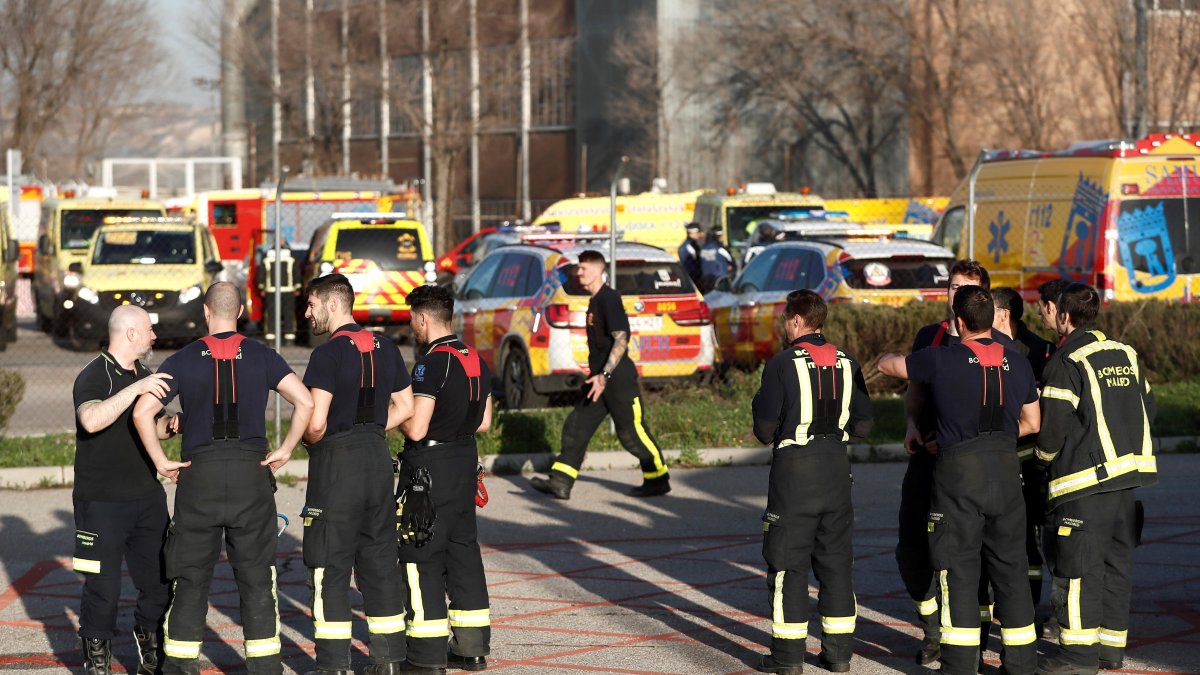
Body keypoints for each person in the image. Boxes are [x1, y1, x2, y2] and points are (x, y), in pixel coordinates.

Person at [131, 282, 314, 675]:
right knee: (257, 579)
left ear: (205, 312)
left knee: (190, 579)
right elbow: (306, 401)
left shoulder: (181, 359)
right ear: (243, 310)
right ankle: (265, 667)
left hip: (200, 479)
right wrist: (286, 449)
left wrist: (161, 460)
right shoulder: (264, 356)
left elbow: (142, 413)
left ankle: (180, 666)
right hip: (252, 476)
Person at [879, 285, 1041, 675]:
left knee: (958, 572)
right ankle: (1020, 663)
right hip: (1005, 473)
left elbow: (891, 365)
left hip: (958, 477)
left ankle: (961, 664)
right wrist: (999, 436)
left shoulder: (940, 359)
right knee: (1011, 569)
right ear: (993, 320)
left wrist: (888, 356)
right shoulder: (1018, 362)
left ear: (959, 321)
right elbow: (1033, 422)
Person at [1034, 283, 1157, 674]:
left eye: (1046, 310)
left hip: (1082, 486)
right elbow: (1147, 406)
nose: (1042, 315)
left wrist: (1040, 462)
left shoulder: (1066, 361)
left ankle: (1076, 657)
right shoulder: (1126, 354)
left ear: (1065, 316)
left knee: (1077, 572)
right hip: (1127, 482)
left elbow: (1052, 429)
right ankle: (1110, 651)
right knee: (1115, 567)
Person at [750, 290, 872, 675]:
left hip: (795, 473)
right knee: (836, 562)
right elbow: (865, 425)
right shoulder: (848, 362)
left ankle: (787, 659)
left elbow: (764, 429)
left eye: (787, 319)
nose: (785, 325)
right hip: (837, 470)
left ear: (798, 321)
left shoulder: (783, 364)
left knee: (787, 563)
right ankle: (838, 656)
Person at [300, 273, 414, 675]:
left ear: (334, 304)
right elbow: (405, 407)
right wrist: (371, 430)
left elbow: (316, 422)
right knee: (380, 561)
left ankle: (333, 664)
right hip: (377, 462)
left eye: (312, 304)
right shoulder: (385, 345)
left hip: (338, 465)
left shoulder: (327, 355)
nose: (307, 312)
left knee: (329, 564)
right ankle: (388, 662)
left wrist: (315, 441)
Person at [895, 259, 995, 665]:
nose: (956, 294)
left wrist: (954, 441)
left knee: (973, 555)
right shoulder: (929, 336)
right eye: (952, 287)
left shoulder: (996, 346)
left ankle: (971, 638)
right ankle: (932, 627)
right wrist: (911, 426)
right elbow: (915, 391)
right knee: (911, 550)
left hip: (969, 466)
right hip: (926, 461)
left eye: (965, 288)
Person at [72, 305, 178, 675]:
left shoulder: (145, 373)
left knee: (161, 581)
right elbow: (92, 419)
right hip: (101, 502)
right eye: (149, 330)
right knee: (104, 588)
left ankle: (149, 642)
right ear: (131, 333)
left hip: (147, 499)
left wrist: (176, 424)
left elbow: (157, 425)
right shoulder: (93, 375)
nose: (153, 337)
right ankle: (97, 658)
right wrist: (137, 388)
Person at [396, 284, 494, 674]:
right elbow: (484, 422)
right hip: (464, 463)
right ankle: (472, 648)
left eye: (412, 319)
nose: (412, 326)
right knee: (463, 552)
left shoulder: (431, 363)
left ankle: (425, 655)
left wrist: (394, 413)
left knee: (421, 554)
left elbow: (416, 429)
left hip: (428, 469)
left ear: (422, 318)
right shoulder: (475, 359)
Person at [529, 249, 670, 500]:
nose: (578, 272)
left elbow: (622, 338)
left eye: (583, 268)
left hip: (617, 379)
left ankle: (658, 478)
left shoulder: (609, 299)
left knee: (631, 433)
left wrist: (605, 374)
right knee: (576, 426)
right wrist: (599, 376)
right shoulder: (595, 300)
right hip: (598, 380)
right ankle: (560, 482)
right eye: (578, 268)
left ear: (597, 270)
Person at [992, 287, 1058, 614]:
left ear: (1003, 314)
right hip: (998, 460)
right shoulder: (984, 348)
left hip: (1029, 462)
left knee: (1029, 541)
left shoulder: (1040, 351)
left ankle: (1027, 607)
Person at [698, 228, 735, 294]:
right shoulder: (720, 249)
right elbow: (731, 261)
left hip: (706, 280)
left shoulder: (703, 248)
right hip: (720, 280)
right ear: (719, 237)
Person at [678, 222, 704, 286]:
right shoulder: (689, 246)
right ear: (692, 233)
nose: (700, 234)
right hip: (692, 279)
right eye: (698, 232)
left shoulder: (691, 245)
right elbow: (692, 264)